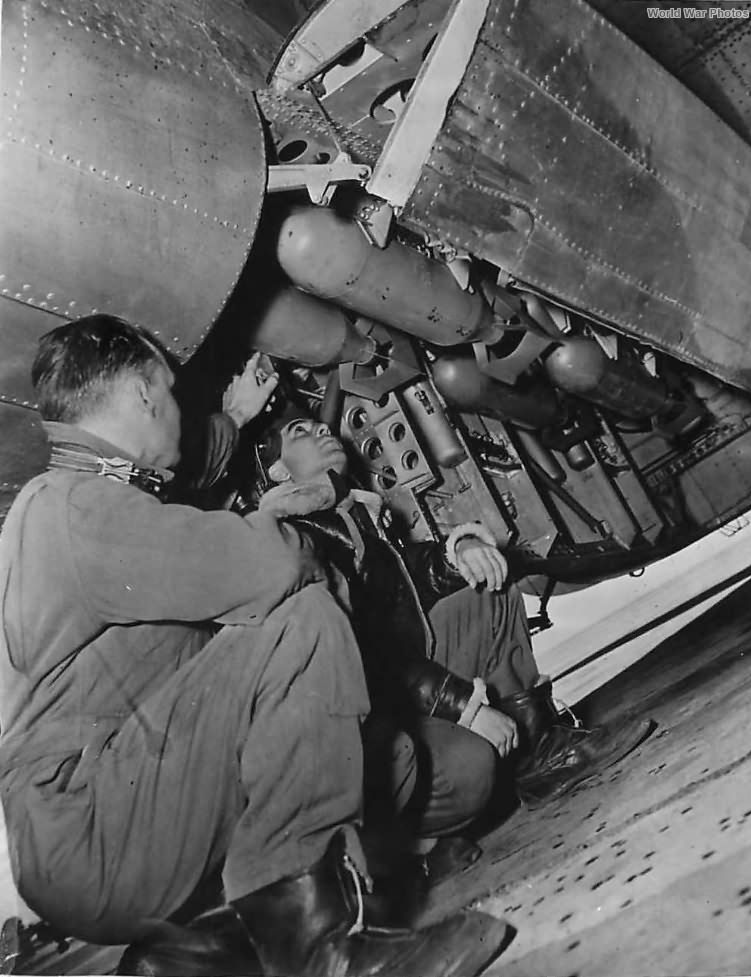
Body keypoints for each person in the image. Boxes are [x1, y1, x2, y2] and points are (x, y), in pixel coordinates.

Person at [0, 315, 510, 977]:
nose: (179, 412)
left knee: (404, 757)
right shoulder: (78, 509)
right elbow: (272, 571)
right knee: (302, 621)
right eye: (172, 393)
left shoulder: (75, 499)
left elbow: (199, 479)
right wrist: (296, 509)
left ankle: (208, 945)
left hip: (106, 816)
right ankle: (316, 949)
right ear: (144, 396)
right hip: (94, 831)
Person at [254, 408, 654, 838]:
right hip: (375, 705)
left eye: (319, 424)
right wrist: (462, 706)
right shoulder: (298, 539)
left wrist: (457, 553)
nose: (322, 429)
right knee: (466, 771)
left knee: (488, 587)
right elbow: (363, 652)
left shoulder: (347, 513)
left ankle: (542, 754)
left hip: (406, 671)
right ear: (278, 472)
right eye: (300, 432)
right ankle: (418, 841)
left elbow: (403, 579)